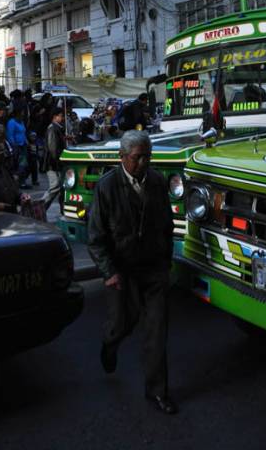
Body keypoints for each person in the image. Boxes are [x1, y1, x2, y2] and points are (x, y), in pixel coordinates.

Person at [87, 131, 176, 415]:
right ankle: (109, 343)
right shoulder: (106, 187)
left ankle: (158, 392)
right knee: (122, 324)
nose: (143, 163)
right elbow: (96, 237)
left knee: (157, 331)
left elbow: (167, 226)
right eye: (138, 158)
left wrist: (166, 262)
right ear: (122, 157)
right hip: (122, 270)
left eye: (148, 157)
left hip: (153, 269)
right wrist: (109, 271)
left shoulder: (158, 182)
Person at [43, 108, 67, 205]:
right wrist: (57, 162)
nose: (63, 118)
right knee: (55, 186)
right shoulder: (52, 128)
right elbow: (53, 148)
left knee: (61, 187)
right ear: (55, 117)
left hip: (56, 163)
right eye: (61, 116)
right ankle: (40, 206)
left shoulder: (57, 128)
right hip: (52, 163)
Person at [6, 110, 29, 187]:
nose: (22, 116)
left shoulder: (21, 122)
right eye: (21, 114)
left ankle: (22, 181)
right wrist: (14, 145)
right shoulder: (11, 122)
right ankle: (16, 181)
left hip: (23, 145)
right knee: (17, 164)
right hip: (16, 146)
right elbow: (10, 135)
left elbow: (23, 132)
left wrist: (26, 141)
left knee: (23, 164)